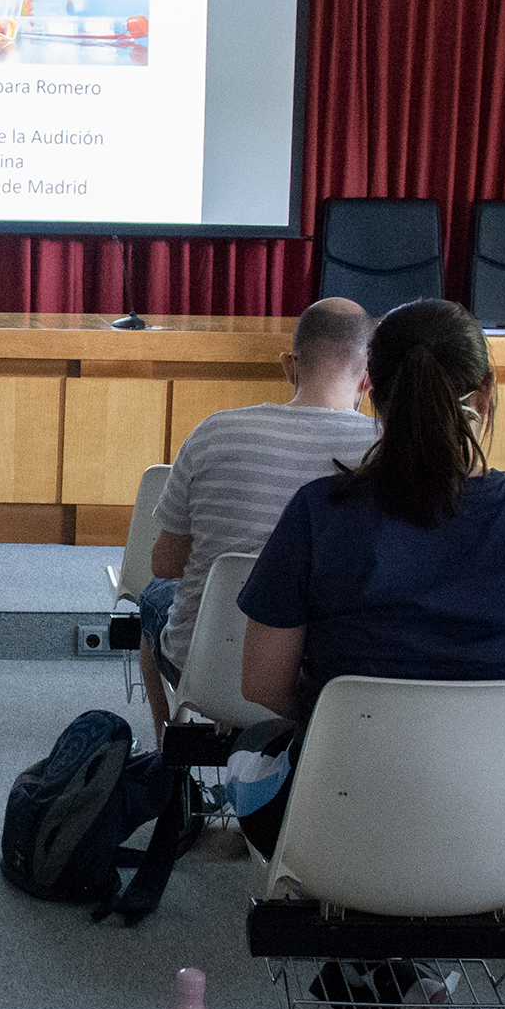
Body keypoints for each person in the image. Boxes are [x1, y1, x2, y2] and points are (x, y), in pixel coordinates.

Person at [236, 302, 505, 1009]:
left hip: (342, 828)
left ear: (372, 391)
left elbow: (261, 682)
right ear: (485, 394)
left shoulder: (321, 514)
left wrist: (349, 716)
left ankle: (376, 951)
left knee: (254, 753)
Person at [136, 296, 377, 738]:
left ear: (290, 365)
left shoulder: (216, 431)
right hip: (330, 678)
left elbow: (166, 565)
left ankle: (171, 754)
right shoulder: (386, 449)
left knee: (153, 599)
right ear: (367, 378)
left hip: (207, 669)